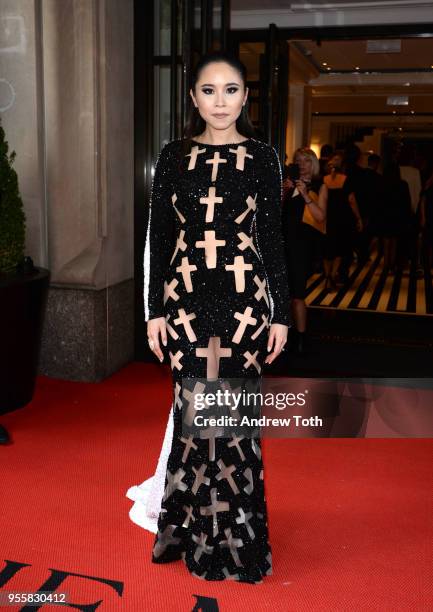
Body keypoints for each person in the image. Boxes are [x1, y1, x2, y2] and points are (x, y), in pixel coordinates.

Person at [127, 51, 290, 584]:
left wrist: (280, 313)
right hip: (187, 305)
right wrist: (154, 313)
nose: (220, 101)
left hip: (244, 304)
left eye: (231, 90)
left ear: (245, 97)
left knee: (233, 426)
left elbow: (271, 239)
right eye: (209, 90)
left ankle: (237, 541)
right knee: (196, 422)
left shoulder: (263, 158)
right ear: (193, 97)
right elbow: (160, 241)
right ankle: (189, 530)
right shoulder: (172, 157)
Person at [282, 147, 327, 352]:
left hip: (302, 246)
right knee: (283, 294)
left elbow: (320, 217)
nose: (302, 164)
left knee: (298, 294)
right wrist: (284, 191)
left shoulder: (320, 185)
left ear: (313, 164)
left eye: (306, 161)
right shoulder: (288, 184)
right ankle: (284, 335)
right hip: (282, 243)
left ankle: (301, 338)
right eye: (298, 160)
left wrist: (305, 195)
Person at [323, 154, 362, 290]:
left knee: (327, 249)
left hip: (327, 218)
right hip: (342, 219)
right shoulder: (346, 179)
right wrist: (358, 218)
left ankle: (327, 276)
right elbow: (351, 200)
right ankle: (333, 275)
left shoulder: (324, 180)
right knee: (339, 249)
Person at [379, 163, 412, 272]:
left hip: (385, 214)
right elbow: (407, 202)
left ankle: (386, 263)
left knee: (386, 240)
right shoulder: (402, 184)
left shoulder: (382, 184)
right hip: (398, 215)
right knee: (394, 240)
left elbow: (378, 201)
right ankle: (392, 263)